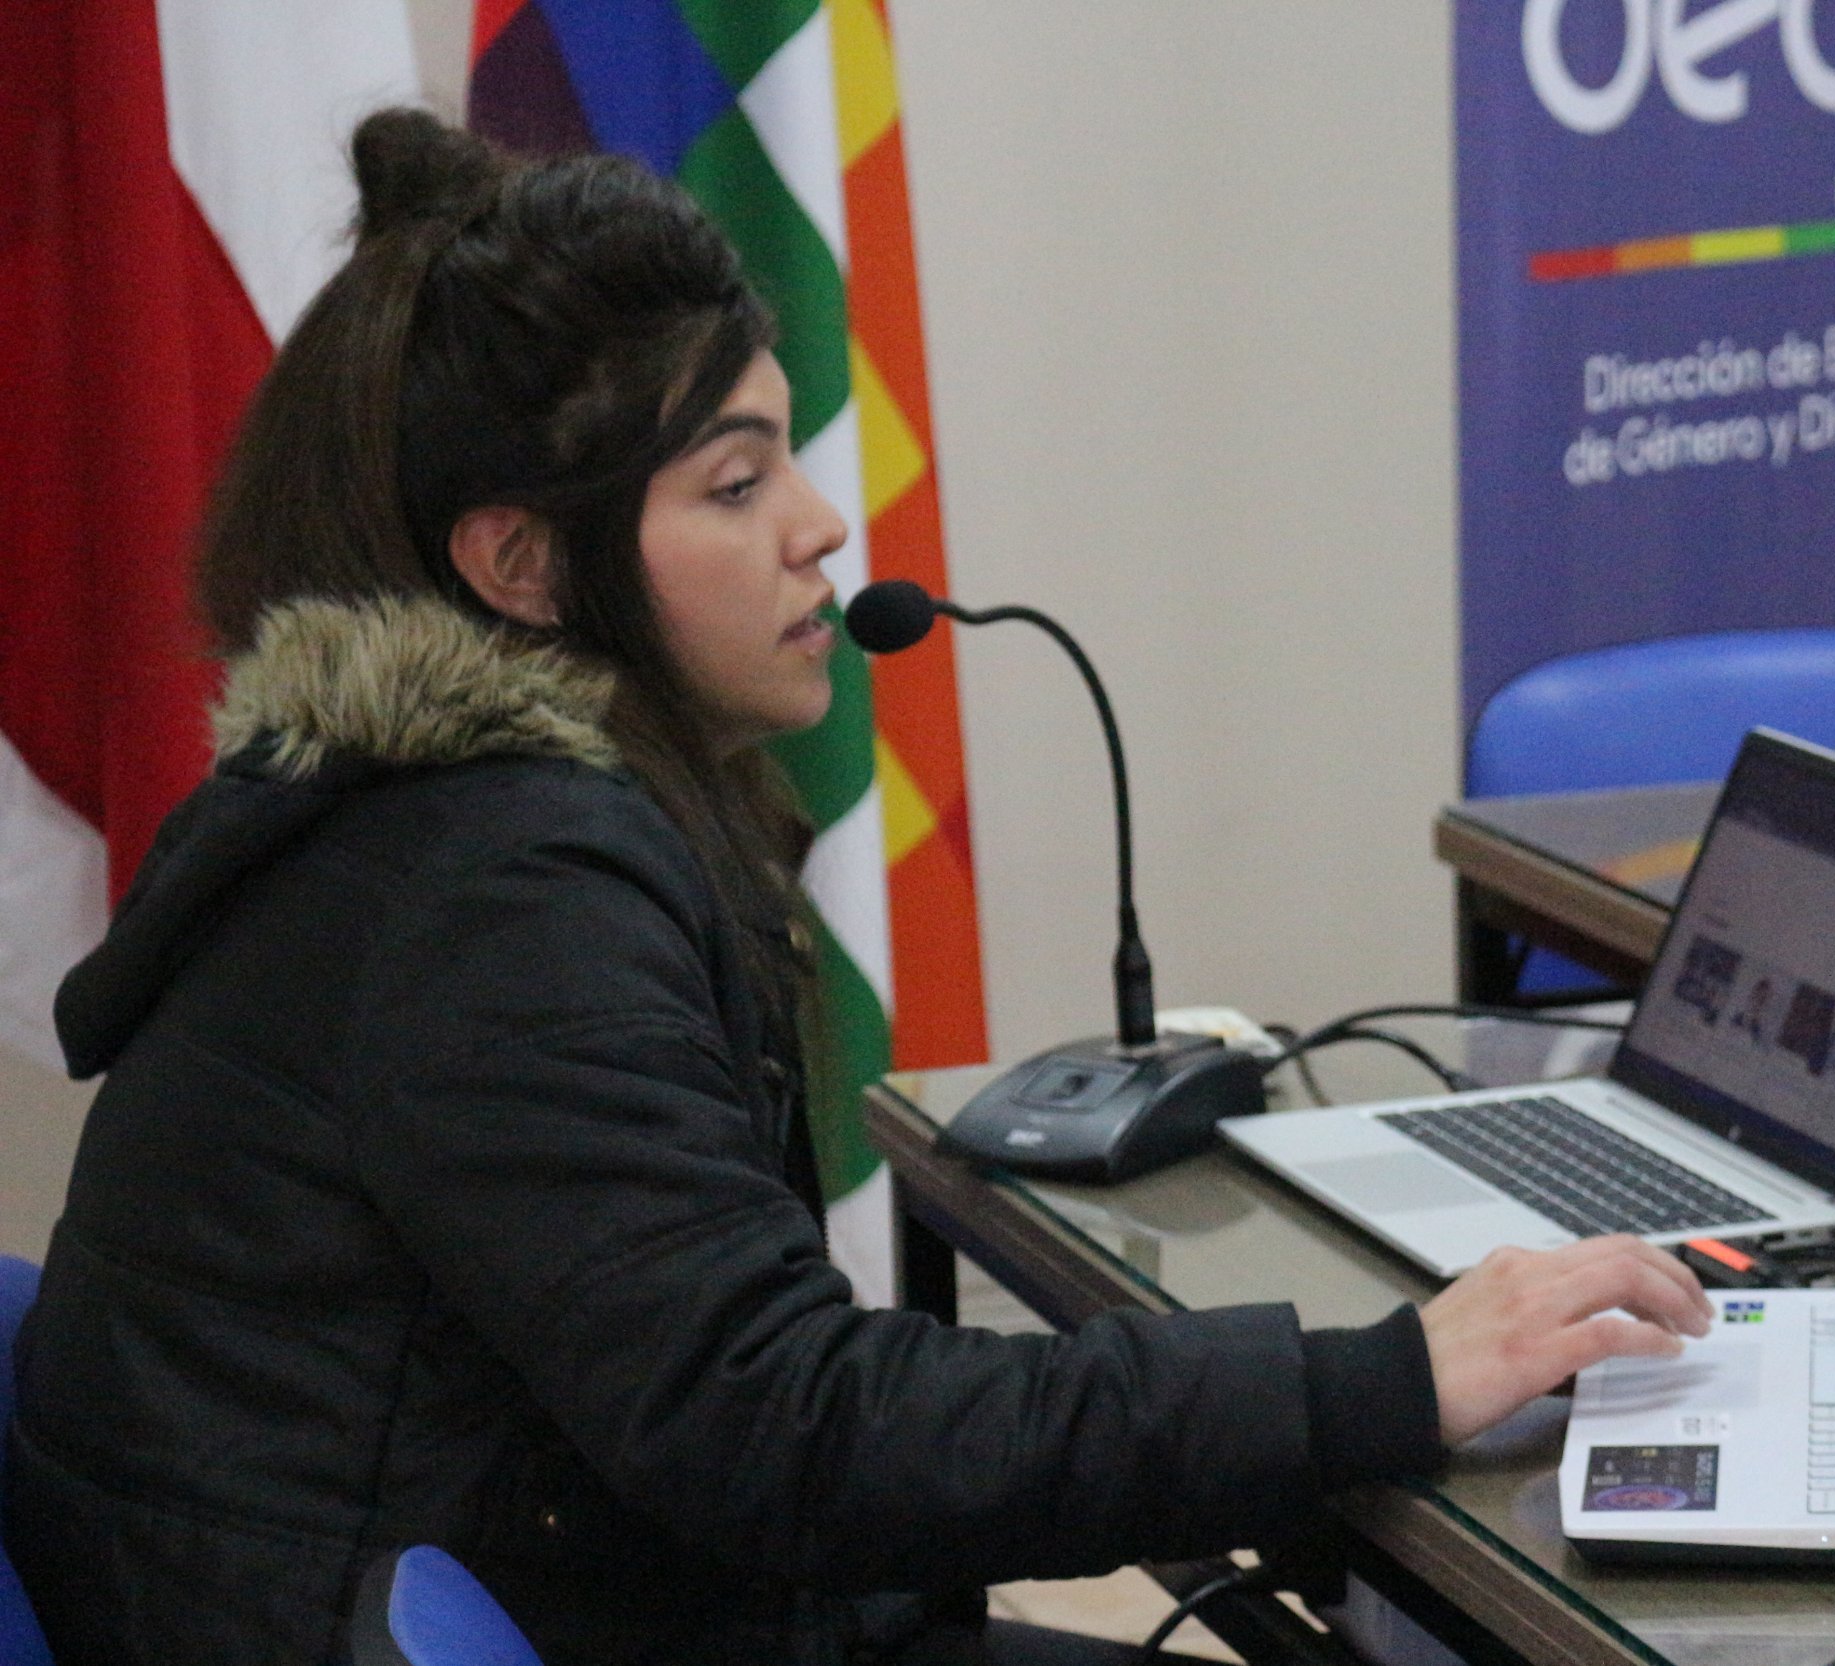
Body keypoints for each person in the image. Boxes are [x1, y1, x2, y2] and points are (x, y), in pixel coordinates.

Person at [3, 109, 1710, 1666]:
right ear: (522, 563)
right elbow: (792, 1431)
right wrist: (1387, 1378)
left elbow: (734, 1415)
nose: (821, 523)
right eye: (736, 483)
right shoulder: (498, 894)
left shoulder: (417, 808)